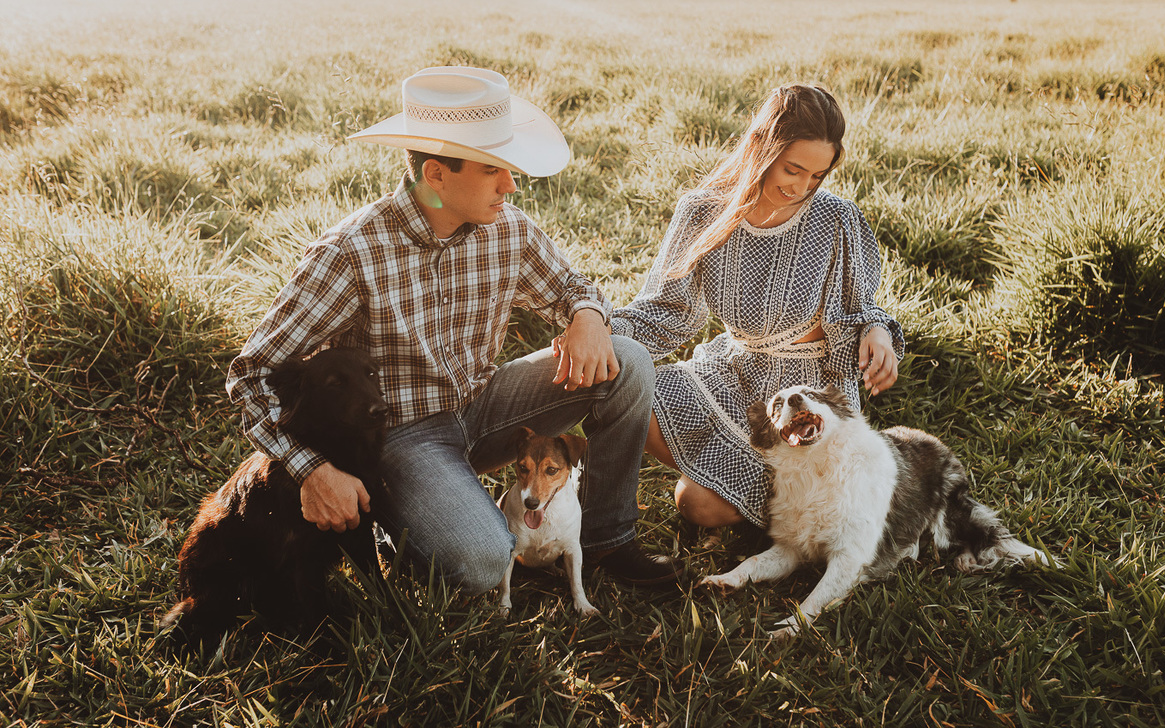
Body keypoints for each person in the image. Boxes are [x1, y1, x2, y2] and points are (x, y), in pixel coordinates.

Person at [227, 66, 684, 595]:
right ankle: (404, 526)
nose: (510, 184)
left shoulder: (508, 228)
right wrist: (311, 470)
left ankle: (606, 539)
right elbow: (251, 373)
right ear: (437, 175)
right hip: (401, 434)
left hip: (486, 405)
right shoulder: (350, 253)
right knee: (484, 562)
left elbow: (572, 286)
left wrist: (588, 315)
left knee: (628, 361)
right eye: (492, 169)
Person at [610, 83, 904, 530]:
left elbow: (861, 308)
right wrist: (595, 329)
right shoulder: (702, 212)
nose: (803, 187)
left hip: (805, 392)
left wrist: (877, 332)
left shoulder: (836, 219)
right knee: (626, 400)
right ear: (761, 148)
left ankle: (775, 492)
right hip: (733, 368)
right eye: (793, 169)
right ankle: (740, 477)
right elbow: (665, 309)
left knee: (696, 504)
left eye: (817, 175)